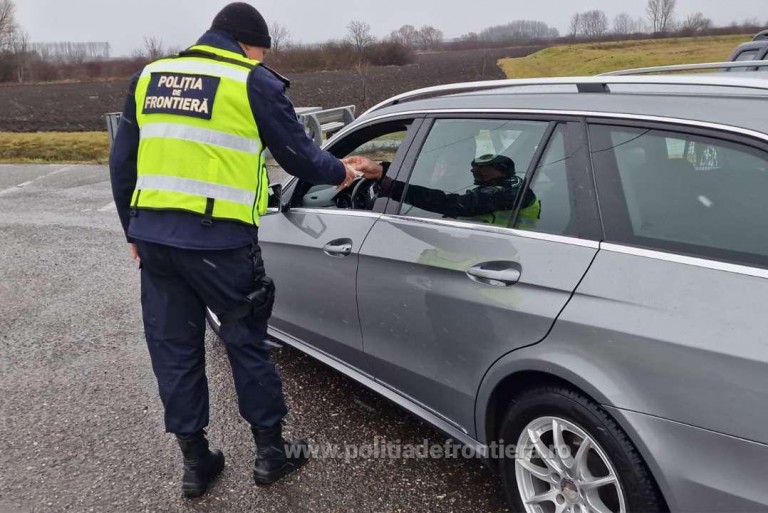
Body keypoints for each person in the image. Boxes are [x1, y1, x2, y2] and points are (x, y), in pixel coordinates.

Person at [109, 2, 359, 498]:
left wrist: (132, 233)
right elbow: (299, 155)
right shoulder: (251, 81)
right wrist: (342, 172)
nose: (259, 59)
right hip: (220, 245)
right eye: (259, 51)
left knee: (174, 350)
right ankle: (271, 454)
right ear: (248, 43)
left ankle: (196, 463)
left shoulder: (150, 77)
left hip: (156, 243)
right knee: (246, 342)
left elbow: (123, 164)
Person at [344, 153, 541, 227]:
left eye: (482, 170)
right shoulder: (512, 183)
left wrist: (387, 181)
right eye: (474, 168)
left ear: (500, 171)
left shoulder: (503, 193)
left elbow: (450, 203)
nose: (475, 172)